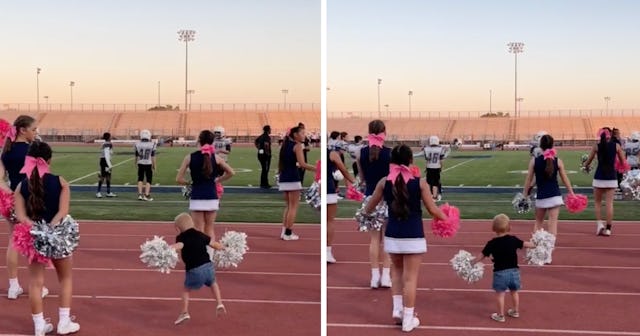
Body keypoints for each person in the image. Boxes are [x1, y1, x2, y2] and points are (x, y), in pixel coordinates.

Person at [364, 144, 446, 332]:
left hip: (393, 235)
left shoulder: (384, 182)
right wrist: (448, 218)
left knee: (396, 274)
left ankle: (397, 310)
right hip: (414, 236)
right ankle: (408, 320)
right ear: (411, 160)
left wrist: (367, 214)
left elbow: (369, 207)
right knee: (410, 279)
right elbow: (433, 209)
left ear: (392, 161)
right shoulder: (420, 182)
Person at [13, 141, 79, 335]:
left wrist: (37, 229)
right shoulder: (60, 182)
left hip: (34, 240)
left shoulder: (21, 186)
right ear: (49, 160)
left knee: (35, 283)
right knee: (65, 278)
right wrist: (51, 228)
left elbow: (21, 217)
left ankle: (39, 326)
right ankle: (64, 323)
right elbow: (63, 212)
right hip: (58, 237)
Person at [0, 115, 49, 300]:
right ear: (23, 130)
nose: (35, 132)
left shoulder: (5, 151)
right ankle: (38, 287)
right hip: (31, 200)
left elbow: (0, 179)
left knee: (13, 241)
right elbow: (41, 177)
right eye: (34, 129)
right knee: (34, 242)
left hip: (11, 199)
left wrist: (12, 196)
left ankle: (13, 286)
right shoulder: (32, 150)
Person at [176, 130, 235, 242]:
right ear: (212, 142)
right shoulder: (216, 158)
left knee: (198, 230)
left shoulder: (189, 157)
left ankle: (200, 256)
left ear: (199, 140)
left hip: (197, 196)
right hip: (212, 196)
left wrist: (190, 183)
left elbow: (178, 179)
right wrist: (217, 180)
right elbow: (231, 172)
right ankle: (210, 255)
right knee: (209, 228)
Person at [477, 214, 535, 323]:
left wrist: (472, 262)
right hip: (514, 272)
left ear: (493, 228)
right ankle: (515, 311)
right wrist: (537, 244)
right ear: (509, 227)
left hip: (500, 273)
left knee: (500, 294)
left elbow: (482, 255)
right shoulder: (513, 240)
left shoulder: (491, 243)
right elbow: (526, 244)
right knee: (514, 292)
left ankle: (500, 315)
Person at [356, 120, 392, 289]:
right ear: (384, 132)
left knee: (374, 240)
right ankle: (386, 276)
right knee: (387, 240)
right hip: (387, 199)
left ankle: (374, 277)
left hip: (370, 198)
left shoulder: (361, 153)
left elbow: (362, 179)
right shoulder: (390, 153)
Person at [171, 213, 226, 325]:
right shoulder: (200, 234)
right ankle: (219, 303)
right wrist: (224, 247)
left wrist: (168, 249)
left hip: (194, 270)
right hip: (208, 266)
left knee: (186, 290)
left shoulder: (181, 237)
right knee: (213, 283)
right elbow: (214, 245)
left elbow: (179, 246)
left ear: (178, 229)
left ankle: (184, 312)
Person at [522, 134, 574, 240]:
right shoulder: (558, 161)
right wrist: (571, 193)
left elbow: (528, 180)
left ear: (540, 146)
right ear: (553, 145)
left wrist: (524, 195)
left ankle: (536, 249)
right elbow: (565, 179)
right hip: (555, 196)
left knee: (538, 223)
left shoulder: (534, 161)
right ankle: (549, 249)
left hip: (541, 197)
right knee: (552, 224)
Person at [583, 127, 626, 236]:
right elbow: (623, 162)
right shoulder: (616, 146)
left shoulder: (596, 146)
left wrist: (585, 165)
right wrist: (617, 165)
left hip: (599, 177)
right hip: (611, 177)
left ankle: (599, 225)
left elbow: (588, 162)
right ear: (610, 135)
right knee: (609, 204)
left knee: (597, 203)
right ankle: (608, 229)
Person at [278, 126, 316, 241]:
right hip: (293, 178)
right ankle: (288, 233)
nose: (304, 135)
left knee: (288, 206)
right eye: (302, 133)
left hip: (284, 177)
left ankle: (284, 231)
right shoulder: (298, 146)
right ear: (295, 134)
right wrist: (317, 169)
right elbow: (302, 164)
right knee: (293, 207)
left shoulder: (285, 145)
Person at [327, 148, 356, 263]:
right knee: (329, 221)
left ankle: (326, 251)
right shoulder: (332, 153)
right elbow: (344, 170)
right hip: (329, 189)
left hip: (319, 189)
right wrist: (354, 182)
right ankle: (327, 251)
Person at [134, 129, 157, 201]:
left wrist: (135, 163)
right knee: (148, 179)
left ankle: (140, 194)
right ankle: (146, 195)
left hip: (140, 163)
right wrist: (154, 165)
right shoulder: (152, 144)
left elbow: (136, 155)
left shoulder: (137, 144)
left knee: (140, 178)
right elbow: (153, 156)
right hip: (148, 163)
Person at [422, 135, 446, 201]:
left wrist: (426, 167)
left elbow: (427, 160)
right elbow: (441, 160)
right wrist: (441, 167)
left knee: (429, 182)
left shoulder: (426, 149)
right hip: (437, 167)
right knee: (435, 182)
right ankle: (435, 197)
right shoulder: (441, 149)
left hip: (429, 167)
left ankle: (430, 195)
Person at [96, 132, 116, 198]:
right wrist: (109, 165)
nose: (111, 137)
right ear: (108, 137)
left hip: (105, 161)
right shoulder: (108, 144)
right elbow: (107, 154)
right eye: (110, 136)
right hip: (105, 161)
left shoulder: (105, 144)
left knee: (108, 177)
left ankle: (108, 192)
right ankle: (98, 192)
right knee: (103, 177)